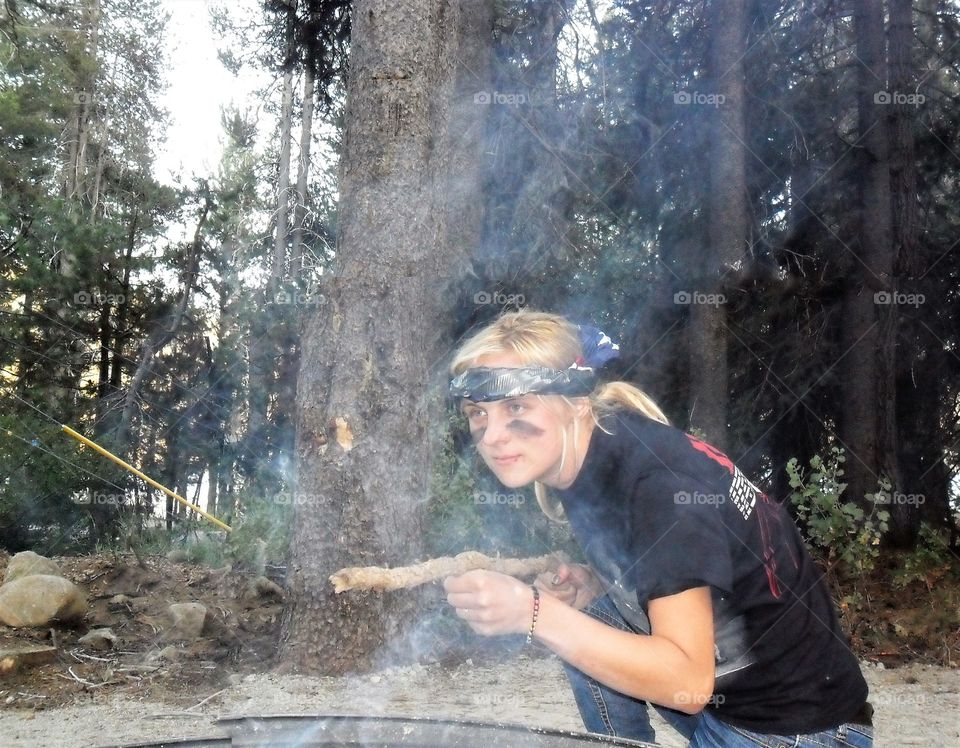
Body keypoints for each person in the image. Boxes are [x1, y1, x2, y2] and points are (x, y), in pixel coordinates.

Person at [443, 310, 873, 747]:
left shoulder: (661, 488)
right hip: (729, 693)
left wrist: (532, 612)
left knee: (554, 621)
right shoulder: (588, 454)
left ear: (576, 402)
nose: (492, 435)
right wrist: (594, 588)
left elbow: (685, 680)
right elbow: (680, 571)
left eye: (516, 406)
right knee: (581, 614)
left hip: (791, 729)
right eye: (478, 413)